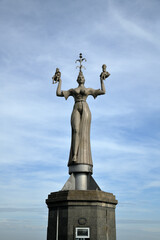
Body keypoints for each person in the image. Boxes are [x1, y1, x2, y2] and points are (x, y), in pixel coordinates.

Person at [54, 66, 109, 166]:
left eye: (82, 77)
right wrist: (59, 81)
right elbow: (58, 93)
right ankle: (74, 155)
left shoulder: (88, 90)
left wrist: (101, 79)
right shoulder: (73, 90)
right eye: (79, 77)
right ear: (77, 79)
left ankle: (83, 155)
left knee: (84, 133)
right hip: (76, 107)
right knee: (75, 130)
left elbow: (103, 91)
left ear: (84, 79)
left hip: (85, 108)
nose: (81, 78)